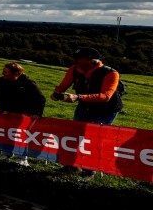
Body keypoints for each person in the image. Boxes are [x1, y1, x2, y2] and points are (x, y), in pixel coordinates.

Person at [51, 47, 124, 177]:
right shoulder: (75, 69)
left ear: (90, 60)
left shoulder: (111, 73)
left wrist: (78, 97)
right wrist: (57, 93)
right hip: (84, 106)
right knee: (74, 136)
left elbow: (105, 96)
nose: (75, 60)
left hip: (105, 110)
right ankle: (71, 166)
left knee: (94, 140)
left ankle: (89, 171)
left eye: (79, 58)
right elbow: (64, 85)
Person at [0, 62, 46, 165]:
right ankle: (5, 154)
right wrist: (3, 109)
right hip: (9, 113)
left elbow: (41, 98)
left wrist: (37, 113)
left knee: (21, 135)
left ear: (16, 73)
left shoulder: (28, 83)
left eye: (6, 72)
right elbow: (1, 96)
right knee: (7, 133)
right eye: (3, 71)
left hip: (24, 113)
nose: (3, 74)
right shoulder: (2, 81)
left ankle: (22, 159)